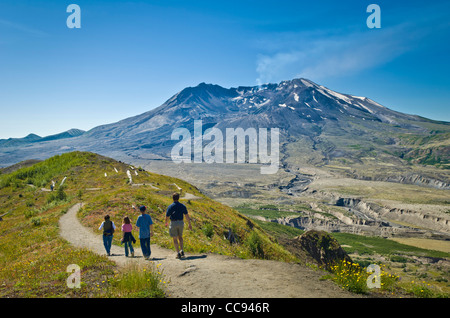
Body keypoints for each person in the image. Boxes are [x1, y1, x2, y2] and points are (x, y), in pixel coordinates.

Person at [165, 193, 192, 259]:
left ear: (173, 198)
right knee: (180, 237)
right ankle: (182, 250)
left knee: (175, 238)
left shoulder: (170, 206)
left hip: (173, 222)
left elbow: (167, 216)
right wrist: (189, 223)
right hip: (181, 222)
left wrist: (166, 223)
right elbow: (186, 215)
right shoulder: (182, 206)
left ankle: (178, 253)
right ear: (178, 198)